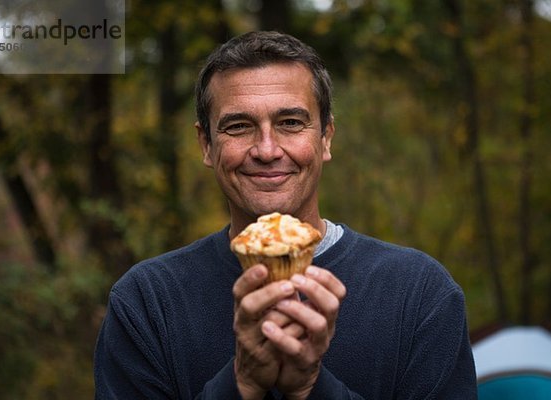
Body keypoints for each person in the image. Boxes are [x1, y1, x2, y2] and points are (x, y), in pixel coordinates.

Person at [94, 31, 478, 399]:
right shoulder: (146, 303)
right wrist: (240, 382)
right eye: (239, 126)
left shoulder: (420, 295)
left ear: (325, 137)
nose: (266, 149)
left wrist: (310, 386)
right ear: (206, 145)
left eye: (291, 123)